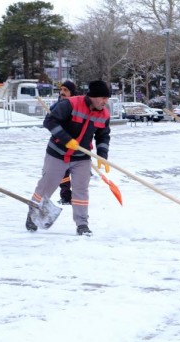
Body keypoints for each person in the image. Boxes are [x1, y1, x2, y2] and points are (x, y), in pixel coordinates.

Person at [25, 80, 112, 235]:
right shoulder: (71, 104)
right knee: (47, 186)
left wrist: (102, 155)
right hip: (57, 153)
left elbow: (103, 136)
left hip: (81, 157)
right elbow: (49, 121)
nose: (105, 102)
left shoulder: (104, 114)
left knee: (81, 191)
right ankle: (33, 213)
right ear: (92, 96)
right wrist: (66, 139)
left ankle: (82, 224)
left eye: (107, 98)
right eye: (103, 98)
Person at [53, 80, 77, 205]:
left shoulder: (76, 106)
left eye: (65, 90)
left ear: (72, 93)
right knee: (63, 172)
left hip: (76, 144)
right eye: (61, 90)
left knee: (79, 173)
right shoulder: (58, 105)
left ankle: (78, 197)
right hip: (60, 145)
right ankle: (66, 196)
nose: (62, 92)